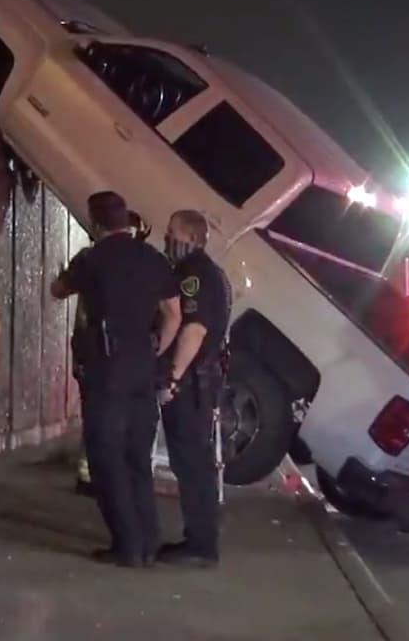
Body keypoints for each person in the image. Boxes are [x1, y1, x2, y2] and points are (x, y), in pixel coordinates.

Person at [51, 192, 181, 567]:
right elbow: (173, 313)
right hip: (143, 366)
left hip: (107, 370)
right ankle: (148, 541)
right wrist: (156, 349)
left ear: (95, 223)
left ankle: (127, 545)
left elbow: (58, 290)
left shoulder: (91, 259)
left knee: (106, 457)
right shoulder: (154, 258)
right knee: (137, 457)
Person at [155, 209, 231, 568]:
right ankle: (199, 539)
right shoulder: (207, 272)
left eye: (173, 232)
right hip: (199, 381)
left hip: (190, 383)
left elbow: (194, 329)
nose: (168, 238)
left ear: (192, 238)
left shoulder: (194, 275)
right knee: (192, 463)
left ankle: (201, 546)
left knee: (192, 464)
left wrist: (172, 377)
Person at [75, 211, 152, 496]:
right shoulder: (101, 262)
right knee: (100, 421)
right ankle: (92, 475)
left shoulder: (98, 261)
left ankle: (104, 475)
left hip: (115, 358)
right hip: (100, 354)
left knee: (114, 423)